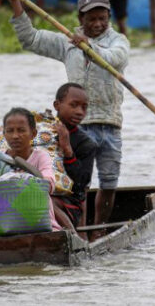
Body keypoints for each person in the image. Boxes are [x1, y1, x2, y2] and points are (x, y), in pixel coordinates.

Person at [2, 0, 129, 241]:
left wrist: (90, 47)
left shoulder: (118, 40)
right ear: (80, 19)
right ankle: (78, 234)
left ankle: (100, 231)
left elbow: (117, 58)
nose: (97, 24)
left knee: (108, 180)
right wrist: (17, 3)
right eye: (91, 19)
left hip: (110, 124)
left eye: (102, 19)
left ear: (108, 18)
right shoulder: (68, 43)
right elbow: (31, 38)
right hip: (78, 128)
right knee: (77, 186)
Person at [0, 107, 62, 231]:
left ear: (33, 134)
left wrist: (28, 176)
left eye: (21, 130)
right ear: (4, 134)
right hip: (8, 225)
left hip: (42, 224)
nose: (15, 136)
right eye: (10, 131)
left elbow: (49, 184)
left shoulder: (40, 156)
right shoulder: (0, 159)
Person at [51, 83, 97, 234]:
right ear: (57, 105)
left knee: (45, 201)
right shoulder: (40, 127)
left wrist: (68, 150)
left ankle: (74, 237)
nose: (79, 112)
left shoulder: (86, 144)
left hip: (69, 202)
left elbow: (80, 185)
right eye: (74, 105)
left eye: (84, 107)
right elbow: (6, 132)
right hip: (37, 191)